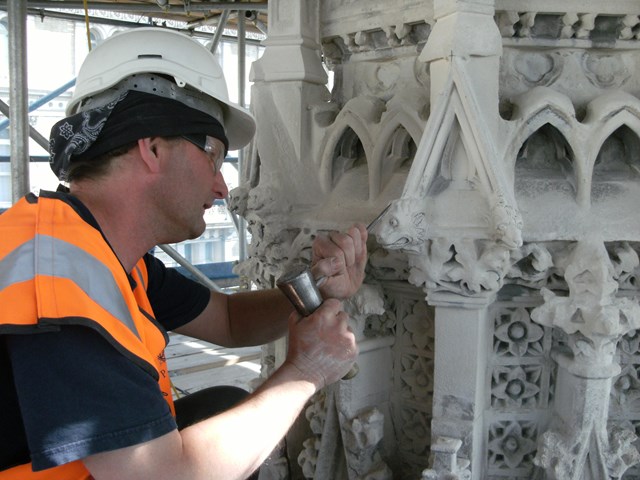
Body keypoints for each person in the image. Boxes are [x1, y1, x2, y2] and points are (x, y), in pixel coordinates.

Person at [0, 28, 367, 480]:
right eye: (213, 156)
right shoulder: (60, 285)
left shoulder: (96, 250)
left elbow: (229, 320)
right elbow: (163, 476)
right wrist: (307, 369)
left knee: (223, 408)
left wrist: (315, 285)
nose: (222, 185)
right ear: (152, 148)